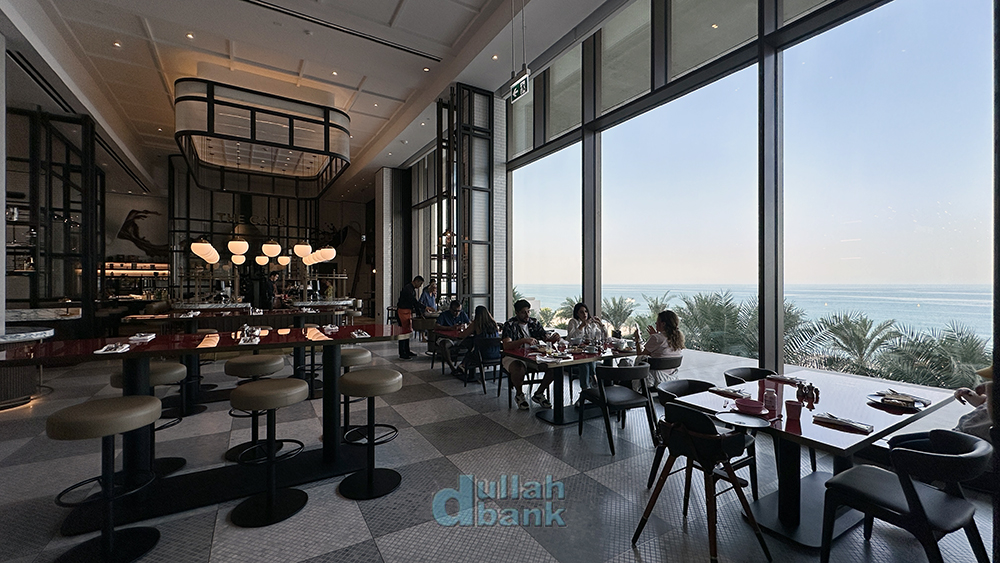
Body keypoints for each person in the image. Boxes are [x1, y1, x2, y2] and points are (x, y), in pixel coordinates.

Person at [501, 299, 560, 410]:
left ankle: (539, 393)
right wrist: (523, 340)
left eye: (528, 311)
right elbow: (506, 346)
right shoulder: (510, 325)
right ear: (517, 313)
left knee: (553, 367)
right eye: (523, 312)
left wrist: (553, 339)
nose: (527, 315)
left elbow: (546, 339)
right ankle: (519, 395)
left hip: (533, 356)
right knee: (518, 367)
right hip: (513, 356)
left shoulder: (534, 323)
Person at [566, 302, 607, 401]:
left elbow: (603, 337)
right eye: (581, 312)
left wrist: (601, 325)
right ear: (577, 313)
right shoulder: (573, 322)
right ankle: (590, 384)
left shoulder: (592, 325)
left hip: (589, 353)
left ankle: (587, 390)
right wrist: (581, 326)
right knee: (584, 362)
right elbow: (571, 338)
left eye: (586, 311)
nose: (584, 314)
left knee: (589, 359)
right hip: (575, 353)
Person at [634, 310, 684, 386]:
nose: (656, 323)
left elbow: (640, 356)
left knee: (624, 363)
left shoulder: (656, 338)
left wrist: (637, 340)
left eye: (657, 321)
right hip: (670, 378)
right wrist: (655, 335)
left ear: (663, 324)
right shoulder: (677, 339)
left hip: (654, 379)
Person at [454, 306, 502, 376]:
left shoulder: (476, 324)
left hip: (482, 355)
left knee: (470, 351)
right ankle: (462, 367)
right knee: (472, 348)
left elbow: (462, 335)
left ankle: (463, 367)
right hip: (496, 353)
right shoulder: (494, 324)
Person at [954, 365, 994, 444]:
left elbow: (993, 411)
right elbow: (983, 401)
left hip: (977, 441)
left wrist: (991, 390)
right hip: (961, 432)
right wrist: (967, 393)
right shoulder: (991, 396)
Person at [435, 300, 471, 374]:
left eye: (459, 311)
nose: (457, 313)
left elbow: (469, 323)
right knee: (444, 345)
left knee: (473, 343)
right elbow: (436, 326)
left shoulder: (462, 314)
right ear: (450, 309)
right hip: (447, 337)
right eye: (455, 311)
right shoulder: (444, 315)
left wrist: (465, 327)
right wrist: (450, 328)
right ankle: (452, 367)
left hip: (460, 337)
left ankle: (463, 365)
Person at [396, 275, 424, 360]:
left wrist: (419, 313)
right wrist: (424, 307)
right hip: (402, 312)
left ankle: (407, 350)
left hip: (407, 312)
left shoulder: (411, 289)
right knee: (403, 333)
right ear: (416, 281)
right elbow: (413, 301)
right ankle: (402, 353)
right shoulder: (408, 289)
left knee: (407, 332)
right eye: (420, 284)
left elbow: (414, 303)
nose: (420, 286)